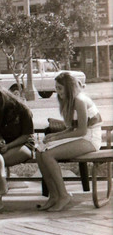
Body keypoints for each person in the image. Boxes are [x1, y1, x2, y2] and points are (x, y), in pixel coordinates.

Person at [36, 72, 102, 212]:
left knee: (48, 155)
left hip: (90, 139)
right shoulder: (70, 101)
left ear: (69, 87)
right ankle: (53, 195)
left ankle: (64, 195)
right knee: (39, 151)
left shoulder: (80, 100)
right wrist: (53, 136)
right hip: (81, 136)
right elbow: (72, 128)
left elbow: (82, 131)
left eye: (60, 88)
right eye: (57, 88)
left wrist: (56, 138)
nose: (57, 92)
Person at [0, 85, 35, 214]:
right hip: (5, 147)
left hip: (24, 146)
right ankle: (2, 181)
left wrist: (9, 146)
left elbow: (27, 136)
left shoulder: (22, 109)